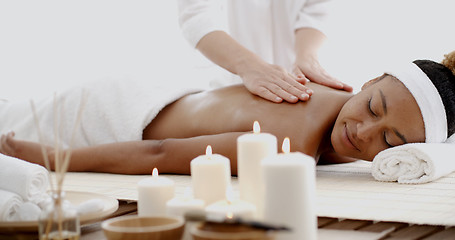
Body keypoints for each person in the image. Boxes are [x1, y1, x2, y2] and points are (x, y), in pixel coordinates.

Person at [1, 51, 454, 175]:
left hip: (157, 88)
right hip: (112, 115)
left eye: (390, 143)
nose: (364, 133)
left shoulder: (330, 93)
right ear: (370, 80)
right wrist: (56, 158)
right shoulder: (286, 147)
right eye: (373, 107)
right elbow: (159, 152)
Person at [177, 0, 353, 103]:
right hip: (226, 83)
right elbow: (197, 15)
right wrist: (246, 65)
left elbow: (317, 9)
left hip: (298, 80)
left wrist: (307, 58)